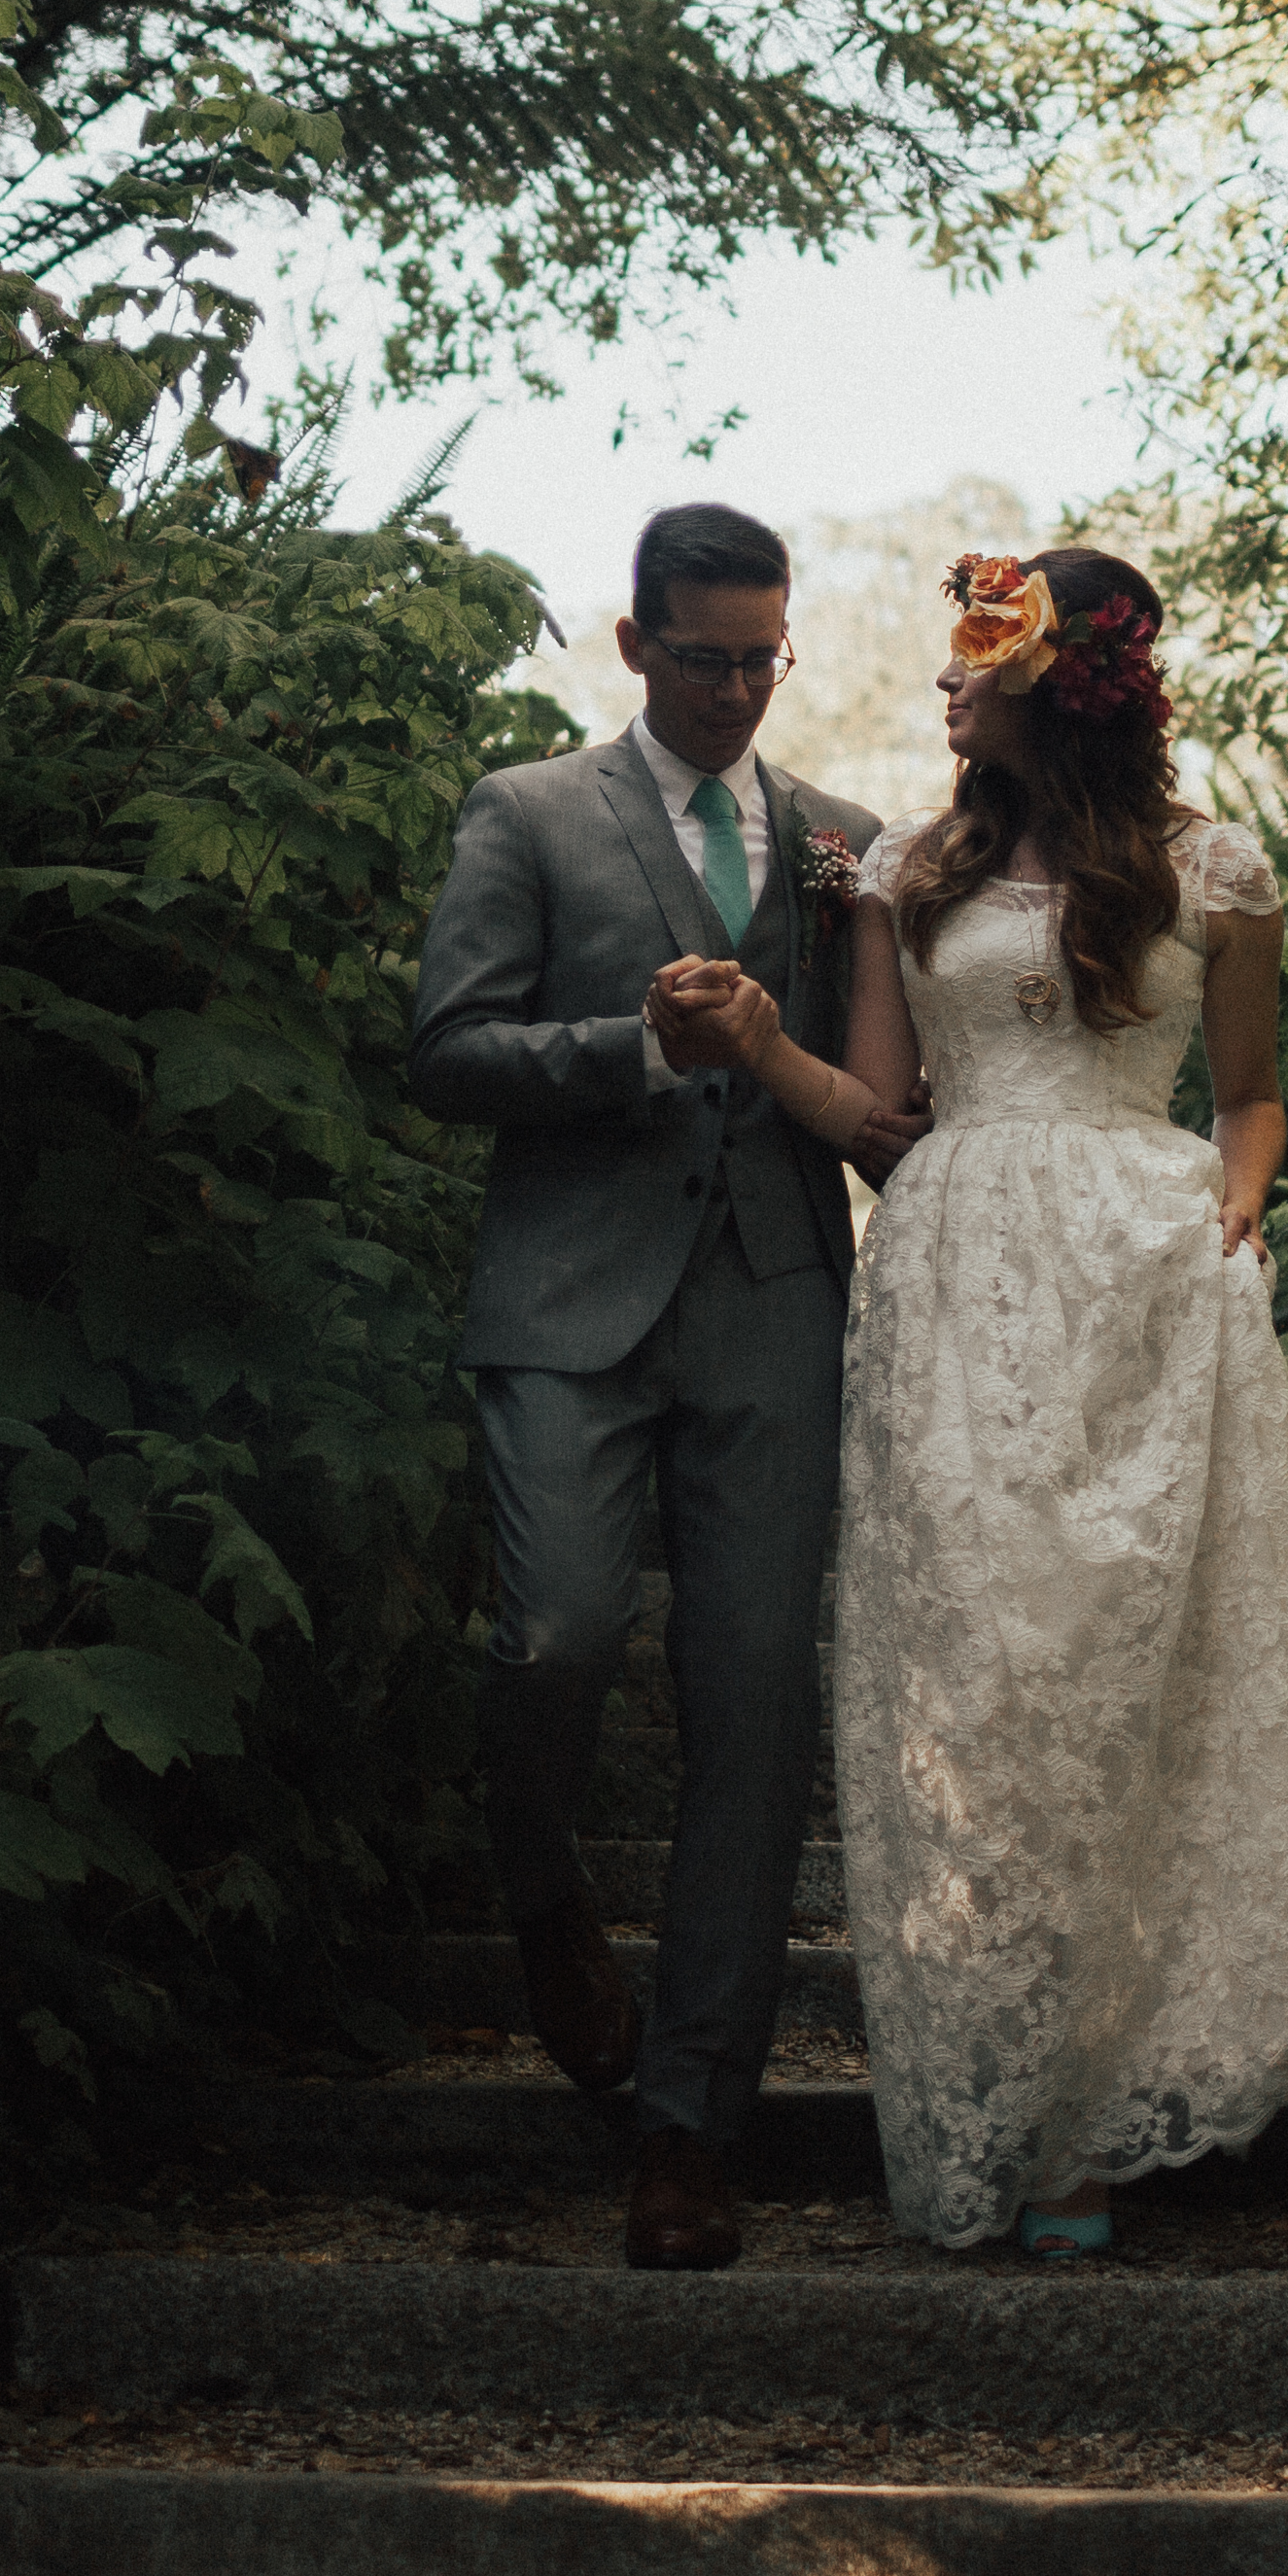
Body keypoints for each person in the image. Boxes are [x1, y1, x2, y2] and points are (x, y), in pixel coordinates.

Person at [648, 543, 1288, 2253]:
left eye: (982, 651)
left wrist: (1240, 1206)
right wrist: (749, 1047)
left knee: (1126, 1681)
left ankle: (1106, 2097)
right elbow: (881, 1114)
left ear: (1067, 676)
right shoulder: (910, 868)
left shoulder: (1220, 873)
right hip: (954, 1283)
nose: (947, 679)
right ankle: (1004, 2093)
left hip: (1150, 1279)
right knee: (978, 1683)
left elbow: (1252, 1100)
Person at [401, 503, 921, 2271]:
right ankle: (542, 1889)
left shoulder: (847, 844)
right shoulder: (528, 811)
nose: (732, 690)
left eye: (761, 659)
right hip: (566, 1310)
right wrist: (635, 1045)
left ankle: (692, 2120)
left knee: (755, 1709)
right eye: (700, 657)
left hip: (774, 1313)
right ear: (633, 646)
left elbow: (878, 1100)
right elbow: (445, 1052)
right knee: (549, 1638)